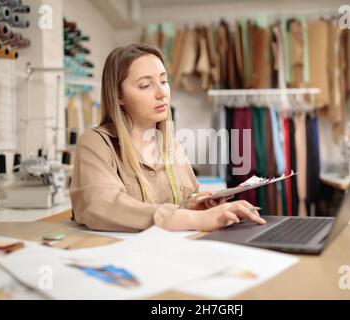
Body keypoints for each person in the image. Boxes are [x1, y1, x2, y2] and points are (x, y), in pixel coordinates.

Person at [70, 43, 265, 232]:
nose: (162, 93)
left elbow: (186, 199)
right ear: (118, 96)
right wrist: (195, 218)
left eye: (164, 82)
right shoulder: (96, 143)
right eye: (145, 85)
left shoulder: (171, 145)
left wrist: (192, 206)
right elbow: (100, 206)